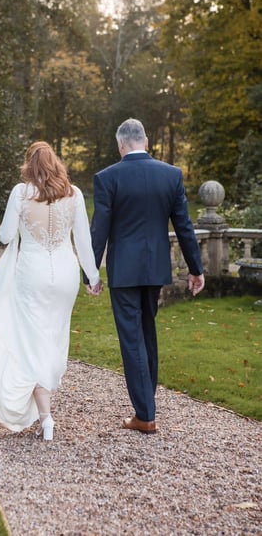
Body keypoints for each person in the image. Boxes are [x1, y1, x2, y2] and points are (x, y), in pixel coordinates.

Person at [0, 141, 102, 441]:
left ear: (29, 164)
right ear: (56, 163)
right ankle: (45, 407)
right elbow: (84, 242)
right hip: (65, 274)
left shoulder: (21, 193)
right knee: (54, 337)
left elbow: (5, 236)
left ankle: (46, 417)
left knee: (32, 341)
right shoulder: (73, 194)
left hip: (32, 274)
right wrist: (92, 277)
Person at [87, 118, 204, 434]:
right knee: (147, 332)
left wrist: (90, 272)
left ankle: (145, 414)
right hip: (154, 269)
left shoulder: (107, 178)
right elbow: (184, 227)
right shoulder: (170, 175)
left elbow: (99, 230)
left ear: (121, 145)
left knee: (132, 338)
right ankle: (146, 404)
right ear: (146, 142)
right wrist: (196, 269)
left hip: (124, 270)